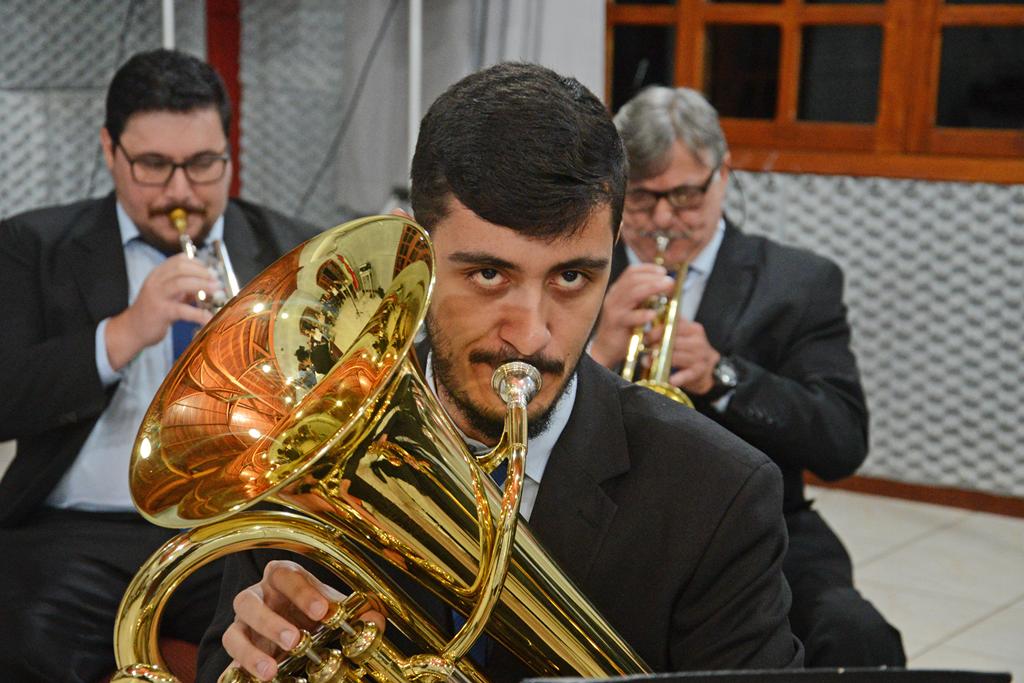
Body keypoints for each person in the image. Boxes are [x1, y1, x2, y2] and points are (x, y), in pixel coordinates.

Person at [195, 62, 802, 683]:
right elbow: (226, 658)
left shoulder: (718, 493)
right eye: (489, 274)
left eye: (572, 277)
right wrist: (262, 653)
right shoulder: (309, 440)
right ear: (413, 254)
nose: (531, 336)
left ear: (615, 247)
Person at [0, 49, 318, 682]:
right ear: (109, 150)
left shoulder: (294, 249)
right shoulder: (32, 245)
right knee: (28, 628)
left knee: (284, 632)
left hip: (233, 530)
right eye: (153, 166)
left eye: (202, 164)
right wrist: (121, 335)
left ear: (228, 152)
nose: (180, 192)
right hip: (77, 532)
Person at [589, 85, 905, 668]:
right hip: (610, 526)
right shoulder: (575, 275)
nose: (664, 219)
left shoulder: (798, 283)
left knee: (855, 633)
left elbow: (841, 441)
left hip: (758, 526)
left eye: (685, 195)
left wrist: (722, 376)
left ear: (724, 175)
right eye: (642, 198)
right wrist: (598, 353)